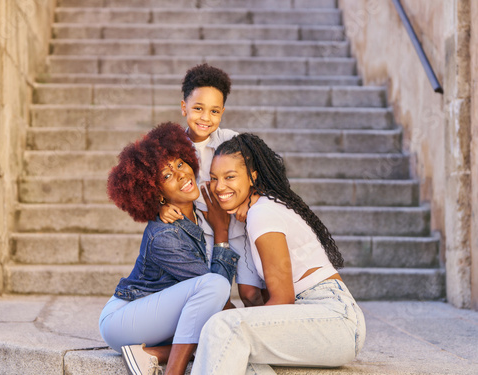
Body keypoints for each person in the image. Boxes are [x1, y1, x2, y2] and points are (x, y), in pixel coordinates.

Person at [191, 133, 366, 374]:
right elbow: (250, 295)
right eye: (213, 178)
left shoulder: (263, 213)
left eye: (229, 177)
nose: (219, 187)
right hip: (318, 319)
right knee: (233, 348)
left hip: (335, 318)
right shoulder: (252, 216)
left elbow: (282, 299)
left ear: (253, 176)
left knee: (222, 328)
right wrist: (224, 230)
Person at [99, 122, 239, 375]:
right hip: (122, 321)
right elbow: (215, 289)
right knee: (215, 292)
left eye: (180, 164)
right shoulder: (164, 234)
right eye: (166, 175)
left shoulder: (199, 214)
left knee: (216, 326)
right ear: (155, 192)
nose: (181, 174)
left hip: (155, 319)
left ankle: (150, 353)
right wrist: (221, 234)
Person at [159, 63, 266, 306]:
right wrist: (160, 206)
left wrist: (252, 198)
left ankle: (265, 333)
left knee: (251, 293)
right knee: (216, 297)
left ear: (222, 112)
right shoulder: (171, 145)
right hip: (204, 236)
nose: (206, 118)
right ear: (184, 106)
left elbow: (264, 173)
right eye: (198, 108)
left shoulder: (231, 140)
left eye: (214, 111)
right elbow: (158, 182)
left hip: (241, 229)